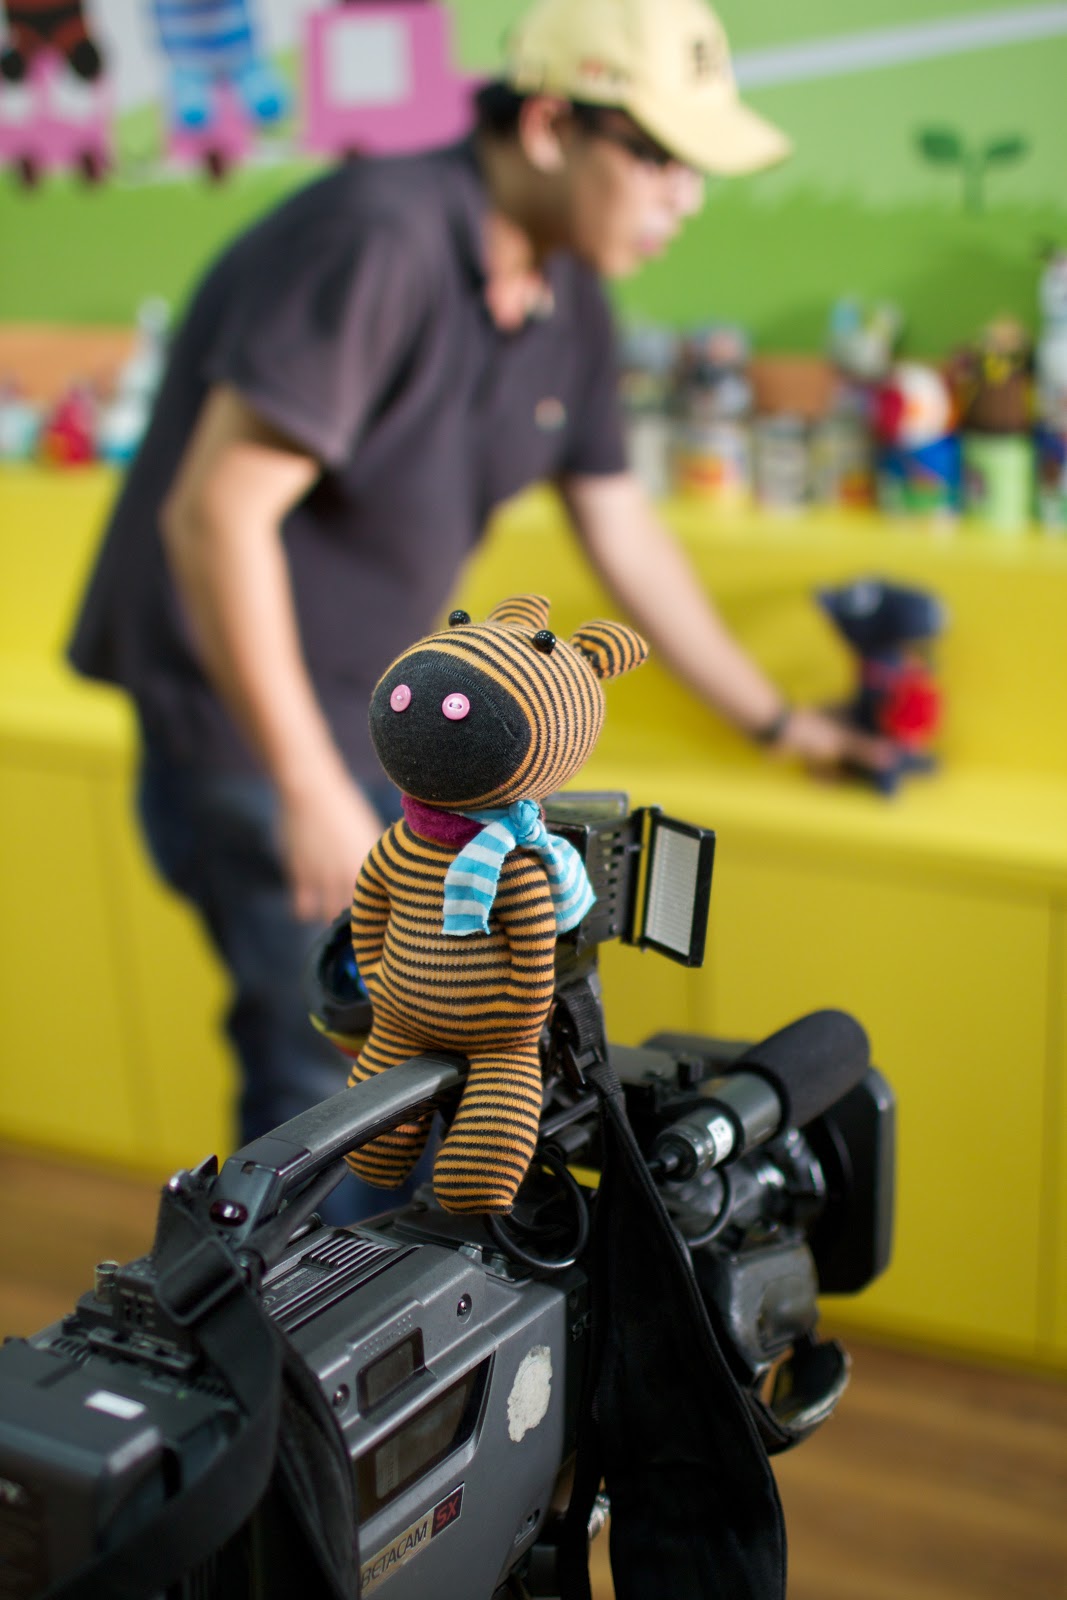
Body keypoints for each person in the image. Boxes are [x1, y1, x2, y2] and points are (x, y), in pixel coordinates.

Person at [67, 0, 891, 1216]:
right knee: (329, 1090)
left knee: (432, 1080)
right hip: (254, 732)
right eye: (660, 157)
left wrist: (779, 723)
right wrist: (306, 785)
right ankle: (290, 1333)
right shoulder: (379, 241)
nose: (683, 198)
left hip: (401, 743)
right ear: (551, 125)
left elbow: (622, 530)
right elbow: (214, 515)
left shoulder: (567, 299)